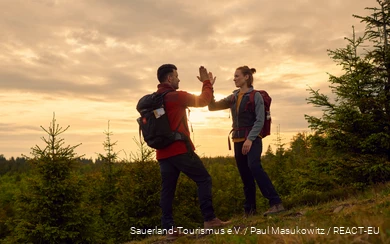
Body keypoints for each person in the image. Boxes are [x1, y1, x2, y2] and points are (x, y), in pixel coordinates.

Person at [154, 64, 230, 240]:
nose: (179, 79)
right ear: (169, 79)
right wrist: (206, 82)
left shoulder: (154, 99)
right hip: (180, 149)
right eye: (177, 76)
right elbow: (203, 100)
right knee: (204, 179)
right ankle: (210, 219)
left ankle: (169, 230)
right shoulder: (176, 96)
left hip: (162, 153)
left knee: (167, 190)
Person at [208, 66, 285, 217]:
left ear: (247, 77)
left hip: (252, 139)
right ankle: (250, 210)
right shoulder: (234, 97)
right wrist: (209, 87)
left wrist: (250, 139)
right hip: (237, 139)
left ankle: (276, 203)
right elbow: (212, 107)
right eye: (234, 76)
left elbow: (260, 120)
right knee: (245, 174)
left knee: (254, 166)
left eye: (237, 76)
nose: (234, 78)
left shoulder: (255, 96)